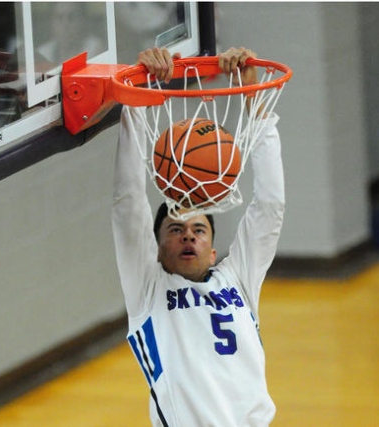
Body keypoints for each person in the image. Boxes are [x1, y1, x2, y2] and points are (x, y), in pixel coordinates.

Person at [111, 46, 285, 426]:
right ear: (156, 250)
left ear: (213, 251)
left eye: (198, 230)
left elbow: (270, 206)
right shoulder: (148, 291)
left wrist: (251, 98)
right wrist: (138, 98)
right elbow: (129, 204)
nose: (188, 236)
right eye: (175, 230)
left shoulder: (238, 278)